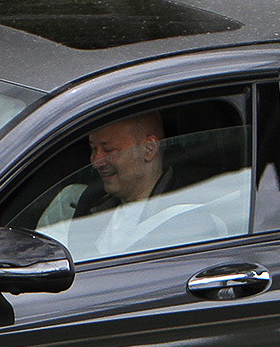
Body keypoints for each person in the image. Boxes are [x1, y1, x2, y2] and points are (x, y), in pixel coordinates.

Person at [35, 109, 231, 259]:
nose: (97, 161)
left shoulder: (191, 221)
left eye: (109, 150)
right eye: (94, 149)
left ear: (149, 148)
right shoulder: (88, 201)